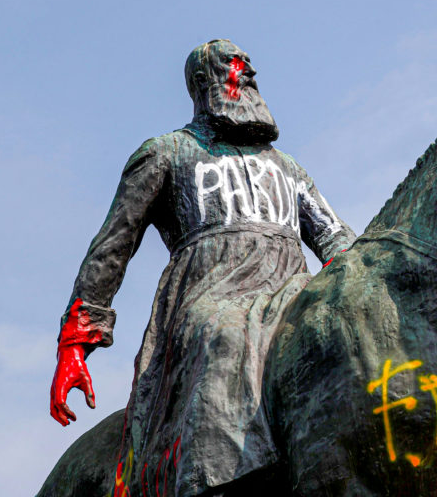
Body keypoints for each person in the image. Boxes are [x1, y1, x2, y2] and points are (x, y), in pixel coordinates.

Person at [48, 39, 356, 496]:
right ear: (201, 82)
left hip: (291, 295)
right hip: (213, 298)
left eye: (250, 69)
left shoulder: (287, 168)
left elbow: (335, 239)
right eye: (234, 68)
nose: (248, 75)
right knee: (226, 334)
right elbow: (113, 244)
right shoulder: (168, 152)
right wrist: (75, 345)